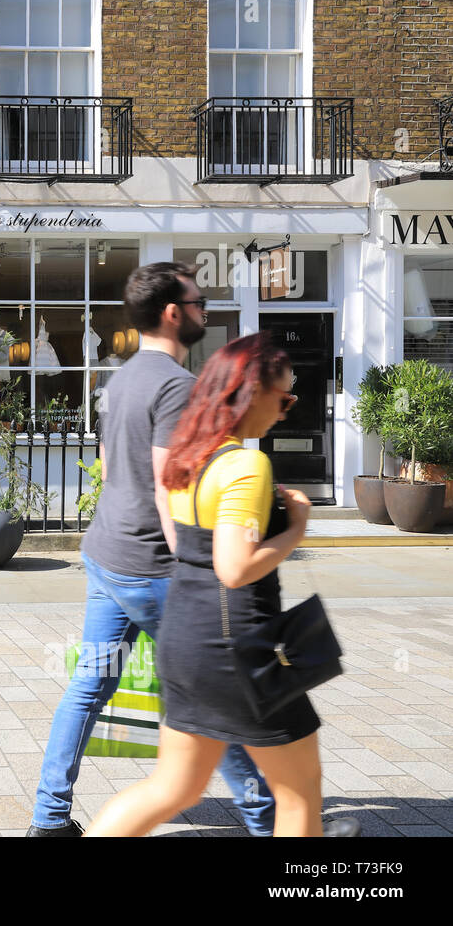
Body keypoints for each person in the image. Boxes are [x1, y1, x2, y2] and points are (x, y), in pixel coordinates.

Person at [27, 261, 277, 838]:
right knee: (214, 690)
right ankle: (274, 822)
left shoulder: (120, 378)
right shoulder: (175, 386)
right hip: (153, 568)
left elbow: (113, 469)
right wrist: (196, 572)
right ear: (173, 313)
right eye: (198, 301)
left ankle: (49, 818)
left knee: (90, 685)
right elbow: (171, 487)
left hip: (107, 553)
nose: (205, 311)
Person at [86, 333, 353, 838]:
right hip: (241, 652)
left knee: (172, 789)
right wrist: (296, 527)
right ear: (250, 394)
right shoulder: (246, 465)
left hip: (183, 641)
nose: (286, 412)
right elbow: (234, 568)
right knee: (299, 793)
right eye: (285, 398)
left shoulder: (188, 457)